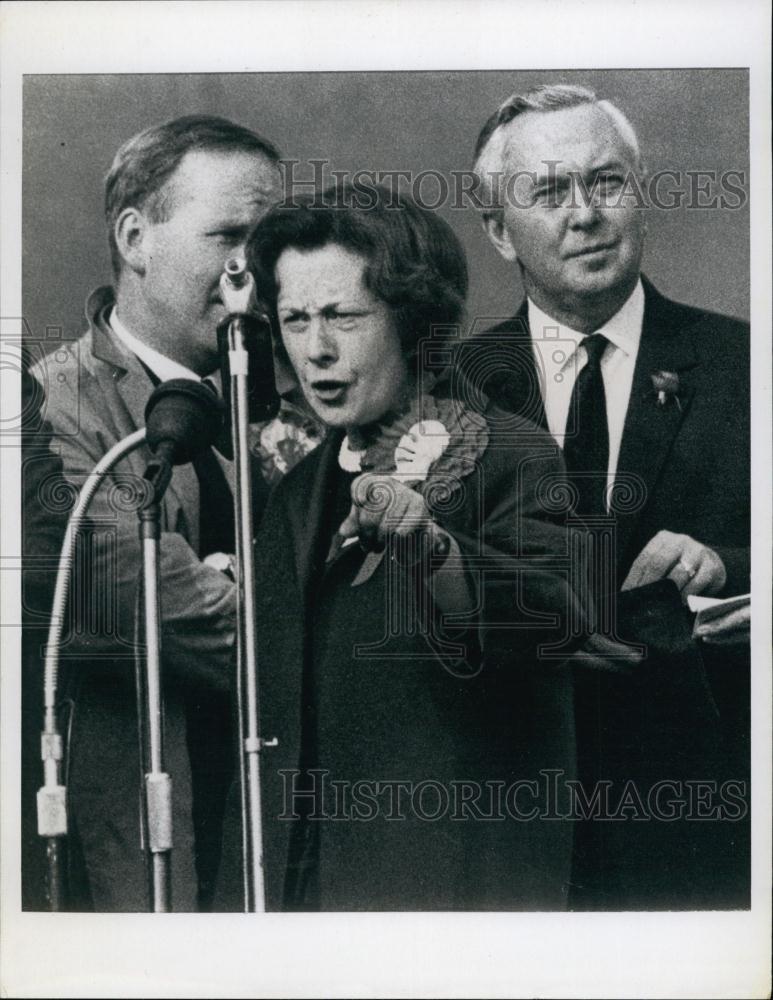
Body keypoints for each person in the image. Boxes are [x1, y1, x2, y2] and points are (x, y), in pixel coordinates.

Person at [216, 185, 593, 911]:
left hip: (450, 894)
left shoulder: (507, 451)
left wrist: (434, 548)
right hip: (300, 893)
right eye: (294, 319)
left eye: (343, 317)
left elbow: (557, 619)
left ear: (413, 321)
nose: (315, 349)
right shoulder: (298, 490)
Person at [459, 83, 750, 907]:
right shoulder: (448, 392)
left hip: (706, 816)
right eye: (547, 192)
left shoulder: (743, 367)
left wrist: (729, 566)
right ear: (495, 230)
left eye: (606, 181)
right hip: (505, 809)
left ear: (640, 192)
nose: (583, 214)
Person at [27, 115, 285, 910]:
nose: (256, 274)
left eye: (268, 245)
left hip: (273, 833)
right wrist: (298, 603)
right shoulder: (54, 405)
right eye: (229, 238)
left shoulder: (287, 394)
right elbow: (149, 599)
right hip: (143, 848)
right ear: (136, 237)